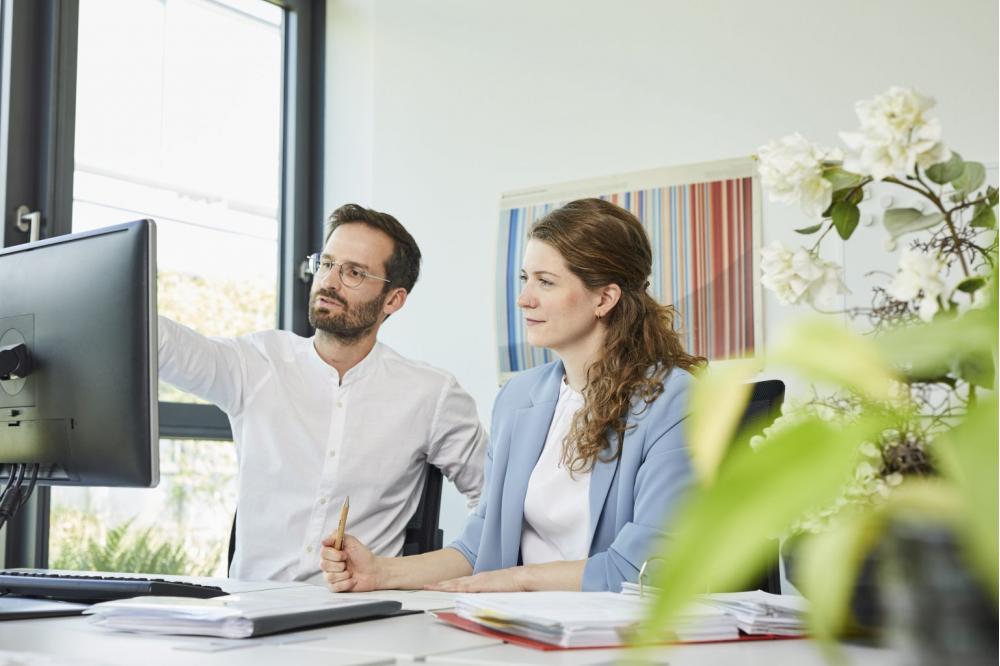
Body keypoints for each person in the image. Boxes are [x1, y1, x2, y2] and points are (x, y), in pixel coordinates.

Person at [320, 197, 705, 593]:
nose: (524, 298)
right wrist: (381, 573)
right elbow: (479, 546)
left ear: (604, 299)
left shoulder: (673, 400)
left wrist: (517, 581)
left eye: (546, 281)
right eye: (525, 279)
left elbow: (646, 566)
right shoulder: (518, 398)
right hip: (516, 625)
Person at [158, 203, 487, 584]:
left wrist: (422, 575)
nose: (330, 281)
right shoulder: (258, 363)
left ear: (393, 300)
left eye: (354, 272)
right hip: (250, 613)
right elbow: (169, 348)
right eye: (327, 264)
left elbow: (497, 507)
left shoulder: (431, 394)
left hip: (360, 619)